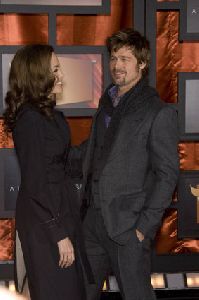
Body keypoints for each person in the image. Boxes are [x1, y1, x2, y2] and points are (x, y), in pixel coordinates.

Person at [79, 29, 179, 300]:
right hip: (92, 223)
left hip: (128, 227)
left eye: (125, 59)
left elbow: (167, 175)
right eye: (114, 58)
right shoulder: (106, 102)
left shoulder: (157, 111)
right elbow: (96, 150)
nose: (116, 65)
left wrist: (142, 228)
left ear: (142, 64)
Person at [3, 45, 87, 300]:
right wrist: (58, 234)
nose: (62, 76)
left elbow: (62, 164)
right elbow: (36, 183)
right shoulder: (30, 119)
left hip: (58, 216)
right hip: (45, 224)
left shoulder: (51, 116)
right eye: (56, 69)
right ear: (37, 75)